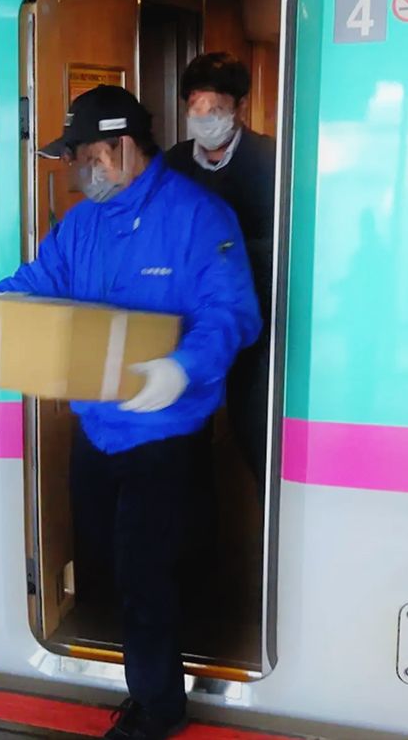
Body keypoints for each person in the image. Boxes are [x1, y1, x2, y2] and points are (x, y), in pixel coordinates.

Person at [0, 85, 261, 740]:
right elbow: (35, 286)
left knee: (146, 573)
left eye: (86, 157)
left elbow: (232, 314)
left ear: (123, 147)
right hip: (98, 431)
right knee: (110, 562)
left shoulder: (199, 217)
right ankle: (144, 671)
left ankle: (158, 708)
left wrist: (182, 367)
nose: (79, 171)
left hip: (167, 433)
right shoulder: (82, 224)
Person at [165, 52, 277, 498]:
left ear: (240, 108)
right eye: (197, 108)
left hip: (258, 323)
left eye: (217, 108)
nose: (205, 118)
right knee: (186, 441)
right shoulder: (173, 166)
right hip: (188, 324)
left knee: (255, 432)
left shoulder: (272, 160)